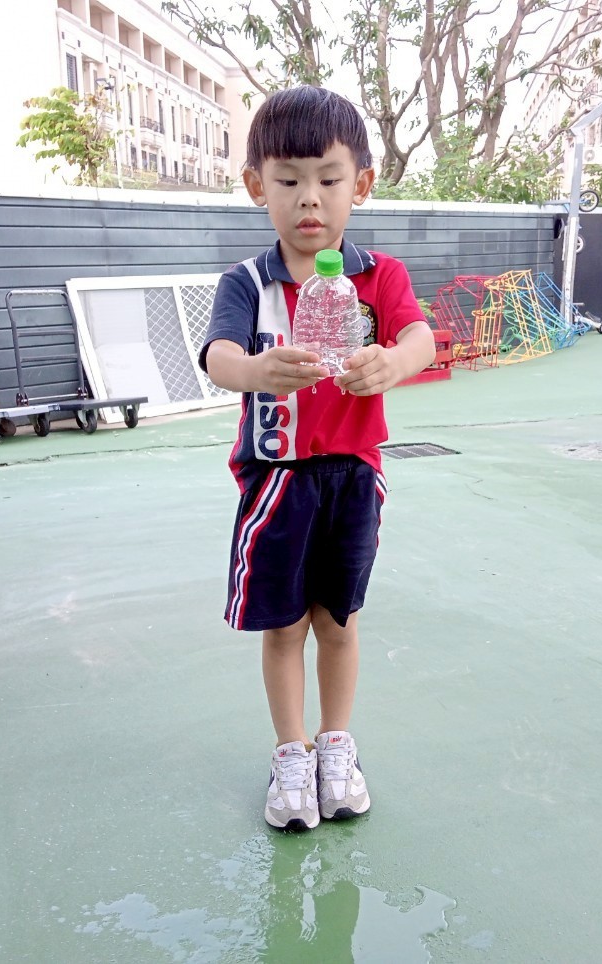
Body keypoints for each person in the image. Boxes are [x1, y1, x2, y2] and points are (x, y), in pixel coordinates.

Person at [198, 86, 436, 831]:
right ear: (255, 185)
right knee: (284, 626)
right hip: (277, 480)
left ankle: (336, 746)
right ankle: (291, 753)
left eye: (329, 179)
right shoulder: (248, 282)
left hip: (354, 476)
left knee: (338, 619)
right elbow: (218, 355)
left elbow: (420, 338)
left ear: (360, 184)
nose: (310, 198)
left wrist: (393, 363)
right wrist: (254, 370)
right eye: (289, 180)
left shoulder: (379, 277)